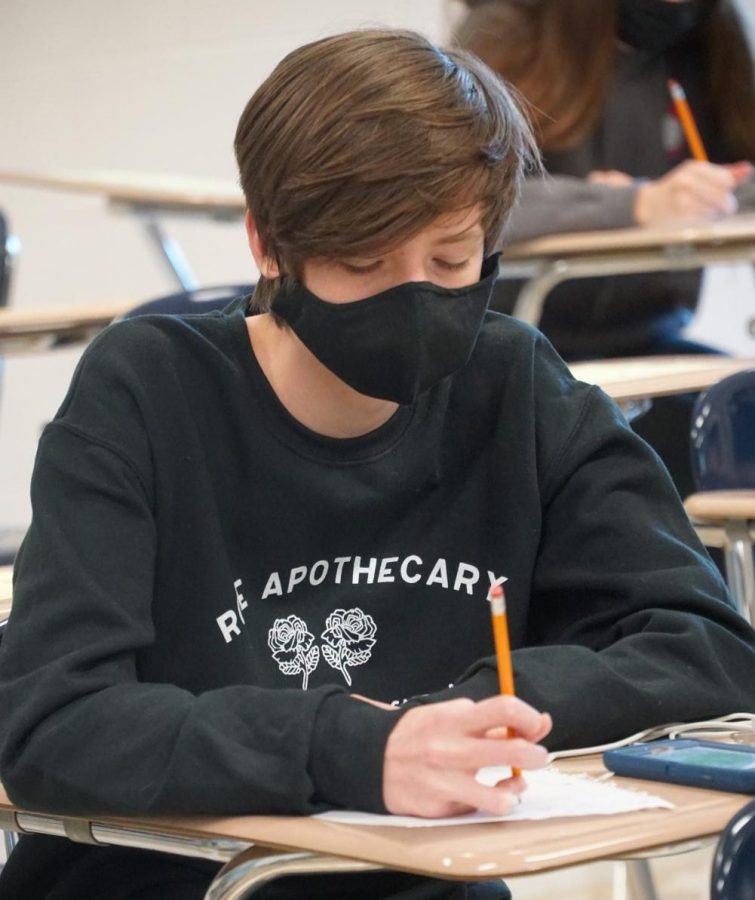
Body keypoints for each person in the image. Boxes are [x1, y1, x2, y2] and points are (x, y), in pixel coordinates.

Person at [0, 27, 754, 900]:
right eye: (363, 264)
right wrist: (356, 747)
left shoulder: (512, 384)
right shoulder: (147, 391)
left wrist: (468, 715)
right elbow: (51, 719)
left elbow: (706, 647)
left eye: (450, 258)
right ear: (268, 247)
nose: (416, 298)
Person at [455, 0, 755, 497]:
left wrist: (708, 191)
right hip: (524, 343)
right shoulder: (512, 30)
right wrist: (633, 202)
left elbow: (733, 173)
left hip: (653, 336)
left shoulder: (708, 39)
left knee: (729, 423)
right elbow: (467, 195)